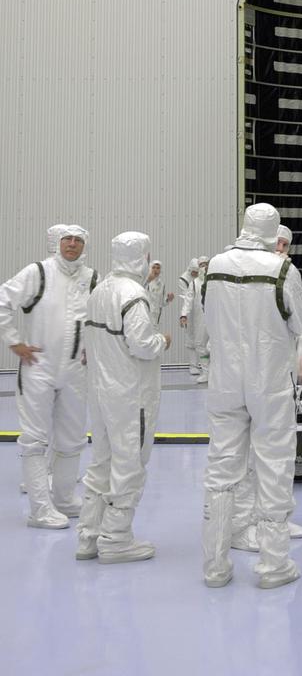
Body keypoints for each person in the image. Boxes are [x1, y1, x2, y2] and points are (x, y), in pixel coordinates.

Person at [201, 203, 302, 590]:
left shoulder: (214, 265)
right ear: (272, 231)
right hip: (268, 380)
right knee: (274, 464)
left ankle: (215, 565)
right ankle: (273, 565)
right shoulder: (283, 270)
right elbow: (298, 324)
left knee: (222, 467)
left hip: (225, 379)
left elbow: (205, 319)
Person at [76, 232, 170, 563]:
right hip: (131, 395)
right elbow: (142, 345)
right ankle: (116, 538)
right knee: (129, 462)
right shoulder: (133, 294)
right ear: (142, 257)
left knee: (102, 460)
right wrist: (163, 340)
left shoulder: (100, 290)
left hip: (100, 392)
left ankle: (88, 534)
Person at [0, 224, 97, 528]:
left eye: (78, 240)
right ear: (57, 242)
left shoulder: (91, 278)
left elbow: (101, 317)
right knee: (34, 439)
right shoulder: (38, 273)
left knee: (72, 438)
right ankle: (40, 509)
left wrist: (92, 348)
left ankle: (64, 499)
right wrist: (14, 341)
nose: (72, 244)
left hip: (75, 371)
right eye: (67, 239)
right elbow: (3, 301)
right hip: (37, 367)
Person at [228, 221, 302, 551]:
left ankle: (274, 519)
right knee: (247, 455)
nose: (279, 249)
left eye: (284, 245)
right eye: (274, 242)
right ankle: (244, 524)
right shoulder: (235, 271)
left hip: (276, 375)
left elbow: (301, 324)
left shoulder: (287, 274)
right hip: (245, 376)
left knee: (277, 453)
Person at [181, 257, 209, 380]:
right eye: (201, 265)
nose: (204, 267)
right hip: (200, 319)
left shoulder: (214, 281)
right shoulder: (194, 283)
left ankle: (217, 372)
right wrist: (184, 315)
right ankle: (206, 372)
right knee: (200, 344)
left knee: (216, 345)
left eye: (206, 264)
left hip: (216, 318)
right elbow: (188, 300)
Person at [145, 261, 174, 330]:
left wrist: (168, 299)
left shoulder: (161, 284)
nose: (155, 270)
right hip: (146, 316)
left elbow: (162, 303)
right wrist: (147, 280)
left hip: (156, 317)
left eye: (158, 268)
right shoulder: (145, 281)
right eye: (153, 267)